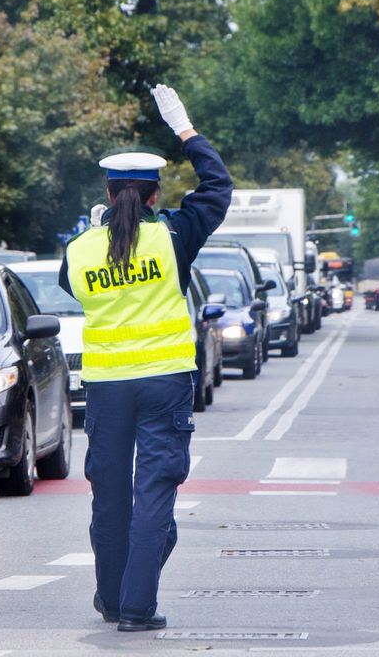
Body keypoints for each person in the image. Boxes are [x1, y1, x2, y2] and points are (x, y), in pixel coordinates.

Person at [58, 83, 232, 632]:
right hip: (165, 383)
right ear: (155, 194)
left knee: (108, 496)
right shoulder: (175, 236)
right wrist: (185, 129)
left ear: (108, 194)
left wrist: (97, 232)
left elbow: (73, 287)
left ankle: (111, 600)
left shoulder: (80, 249)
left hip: (107, 387)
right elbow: (218, 187)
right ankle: (136, 605)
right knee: (154, 490)